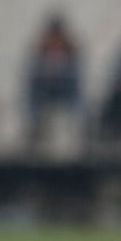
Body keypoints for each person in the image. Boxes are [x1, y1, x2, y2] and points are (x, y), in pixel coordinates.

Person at [24, 11, 84, 145]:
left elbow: (75, 76)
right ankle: (35, 128)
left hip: (64, 89)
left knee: (77, 98)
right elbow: (33, 74)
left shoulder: (70, 50)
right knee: (32, 96)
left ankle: (78, 130)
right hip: (44, 89)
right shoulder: (41, 49)